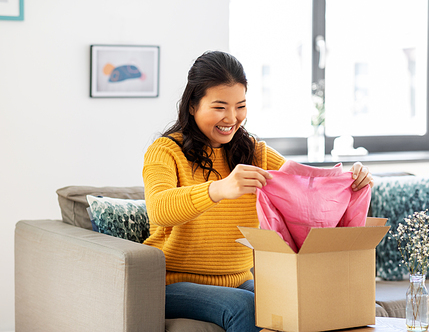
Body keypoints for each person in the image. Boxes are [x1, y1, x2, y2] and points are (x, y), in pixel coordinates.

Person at [142, 50, 374, 332]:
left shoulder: (255, 153)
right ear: (192, 105)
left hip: (240, 278)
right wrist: (218, 189)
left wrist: (349, 179)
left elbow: (305, 186)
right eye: (219, 107)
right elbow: (159, 208)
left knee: (300, 300)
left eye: (240, 106)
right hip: (172, 283)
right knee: (246, 307)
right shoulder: (166, 151)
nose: (232, 117)